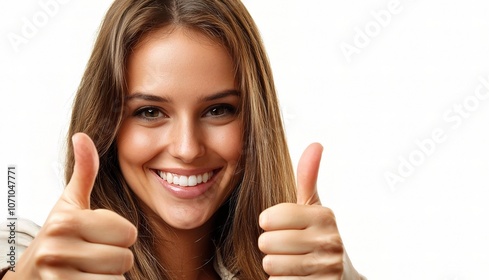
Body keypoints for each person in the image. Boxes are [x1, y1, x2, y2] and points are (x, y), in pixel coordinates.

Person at [1, 0, 365, 279]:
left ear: (255, 121)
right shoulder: (23, 248)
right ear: (106, 123)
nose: (187, 149)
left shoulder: (306, 264)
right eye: (150, 112)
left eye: (218, 110)